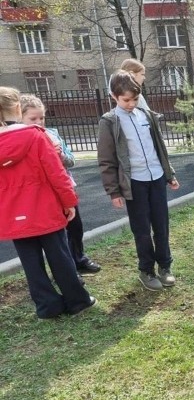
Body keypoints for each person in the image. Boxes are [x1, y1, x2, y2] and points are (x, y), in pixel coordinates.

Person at [0, 87, 96, 319]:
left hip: (13, 213)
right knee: (60, 256)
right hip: (45, 209)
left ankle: (47, 306)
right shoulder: (36, 135)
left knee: (30, 262)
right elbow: (56, 174)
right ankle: (77, 301)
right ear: (17, 108)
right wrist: (69, 202)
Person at [97, 71, 181, 291]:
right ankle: (146, 270)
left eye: (135, 99)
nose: (131, 104)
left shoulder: (145, 115)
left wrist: (169, 174)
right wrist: (114, 191)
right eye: (126, 100)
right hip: (134, 183)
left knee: (161, 225)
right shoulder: (109, 122)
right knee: (142, 229)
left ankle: (165, 266)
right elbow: (106, 160)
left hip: (156, 178)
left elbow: (159, 147)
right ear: (114, 96)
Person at [19, 94, 102, 276]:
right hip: (43, 193)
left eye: (42, 117)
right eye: (33, 118)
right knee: (56, 235)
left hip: (65, 187)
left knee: (75, 226)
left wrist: (60, 156)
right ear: (20, 117)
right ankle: (67, 270)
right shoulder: (20, 140)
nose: (39, 122)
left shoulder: (52, 134)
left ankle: (79, 259)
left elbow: (71, 160)